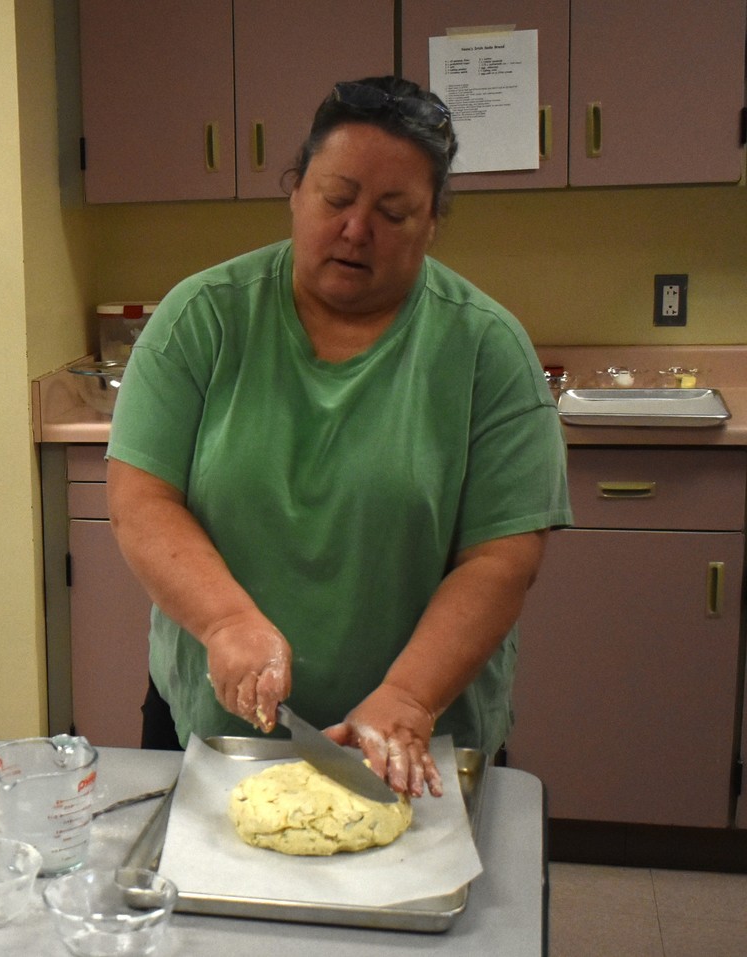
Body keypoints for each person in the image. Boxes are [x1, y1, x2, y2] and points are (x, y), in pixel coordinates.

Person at [106, 76, 572, 798]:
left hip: (416, 743)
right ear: (296, 189)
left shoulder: (487, 349)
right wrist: (226, 621)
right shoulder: (201, 318)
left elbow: (501, 559)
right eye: (337, 198)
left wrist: (409, 697)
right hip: (218, 733)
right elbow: (141, 499)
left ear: (432, 223)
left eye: (394, 212)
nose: (357, 230)